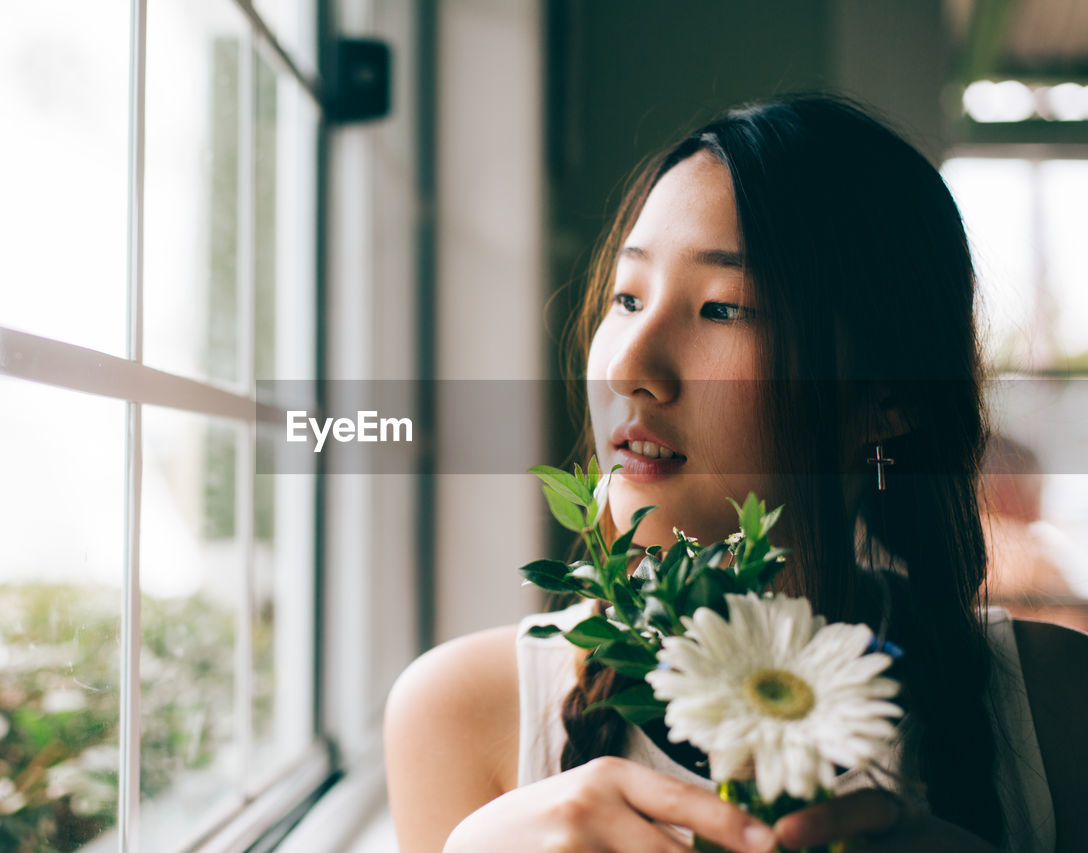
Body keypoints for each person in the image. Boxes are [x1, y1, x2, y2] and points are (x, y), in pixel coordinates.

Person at [384, 95, 1088, 853]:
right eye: (627, 297)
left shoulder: (1059, 706)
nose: (627, 367)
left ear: (891, 399)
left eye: (723, 309)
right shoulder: (464, 712)